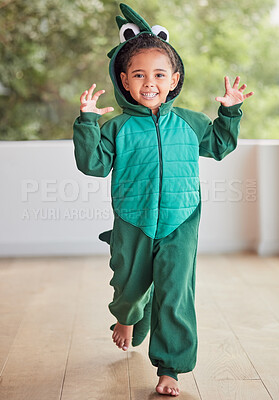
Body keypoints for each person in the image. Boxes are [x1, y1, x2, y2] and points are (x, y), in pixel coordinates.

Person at [73, 3, 253, 397]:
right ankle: (127, 317)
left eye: (159, 74)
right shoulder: (116, 127)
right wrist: (87, 120)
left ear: (174, 79)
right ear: (123, 79)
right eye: (138, 74)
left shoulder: (190, 123)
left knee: (175, 294)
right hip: (132, 222)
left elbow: (220, 145)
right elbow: (93, 165)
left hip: (181, 223)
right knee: (129, 286)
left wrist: (230, 112)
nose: (149, 82)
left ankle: (170, 367)